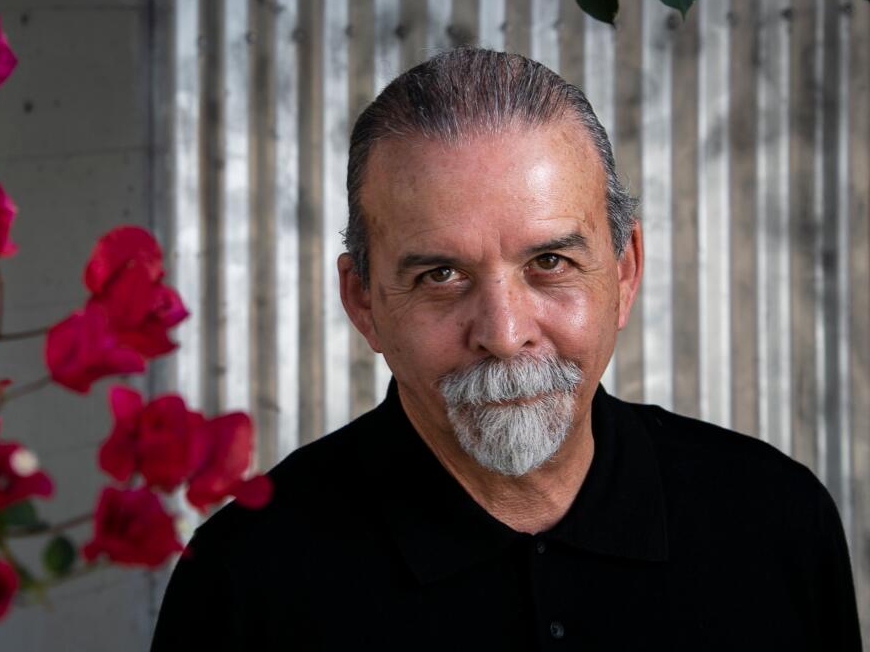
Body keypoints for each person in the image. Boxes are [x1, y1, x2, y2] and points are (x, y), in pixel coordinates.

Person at [150, 48, 861, 650]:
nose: (505, 331)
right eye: (441, 275)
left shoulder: (775, 522)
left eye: (549, 263)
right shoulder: (245, 582)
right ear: (362, 300)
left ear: (625, 268)